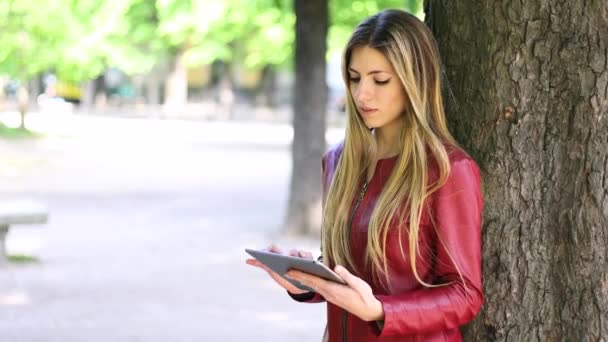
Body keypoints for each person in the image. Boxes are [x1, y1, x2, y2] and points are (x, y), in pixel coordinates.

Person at [246, 9, 483, 341]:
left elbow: (465, 294)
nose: (361, 94)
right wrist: (307, 281)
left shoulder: (446, 171)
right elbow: (350, 275)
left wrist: (382, 312)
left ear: (414, 80)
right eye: (355, 78)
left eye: (380, 80)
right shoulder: (337, 162)